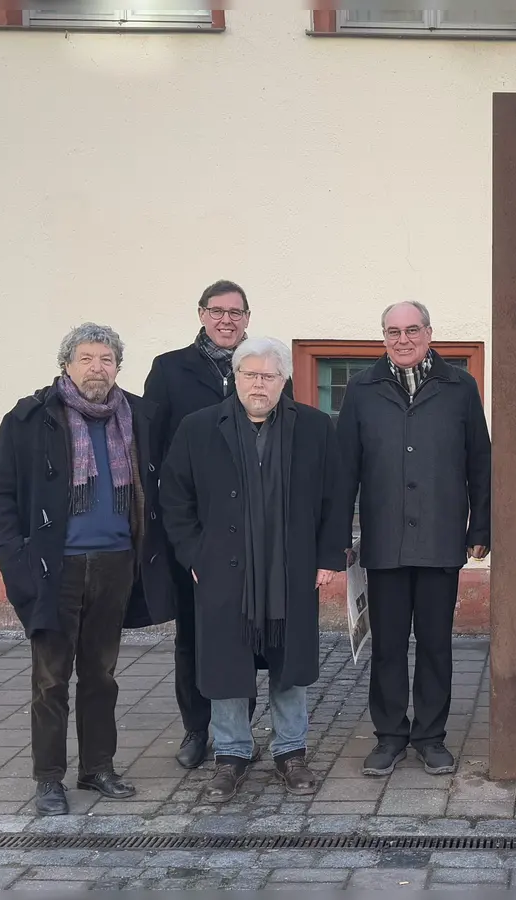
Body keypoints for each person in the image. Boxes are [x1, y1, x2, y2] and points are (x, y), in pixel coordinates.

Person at [0, 323, 175, 816]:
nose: (97, 368)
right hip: (53, 567)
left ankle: (97, 767)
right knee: (50, 679)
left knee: (102, 673)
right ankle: (49, 778)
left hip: (116, 563)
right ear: (67, 363)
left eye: (106, 359)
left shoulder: (140, 416)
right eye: (87, 358)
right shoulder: (30, 419)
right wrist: (14, 556)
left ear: (118, 367)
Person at [160, 337, 349, 803]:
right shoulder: (199, 427)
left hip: (292, 567)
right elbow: (175, 499)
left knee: (290, 663)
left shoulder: (315, 428)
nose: (258, 384)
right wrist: (194, 555)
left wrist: (328, 557)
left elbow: (336, 496)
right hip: (224, 569)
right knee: (226, 662)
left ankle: (291, 751)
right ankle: (231, 755)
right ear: (235, 379)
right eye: (249, 375)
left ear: (283, 381)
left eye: (268, 375)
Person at [337, 300, 492, 778]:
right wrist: (340, 534)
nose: (402, 340)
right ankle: (389, 736)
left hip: (441, 537)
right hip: (383, 540)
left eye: (411, 330)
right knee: (386, 645)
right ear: (382, 337)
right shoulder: (362, 389)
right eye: (392, 332)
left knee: (434, 644)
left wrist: (480, 527)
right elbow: (344, 469)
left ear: (429, 333)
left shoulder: (459, 386)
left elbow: (479, 463)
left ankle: (430, 736)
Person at [145, 280, 257, 770]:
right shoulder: (171, 369)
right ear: (201, 314)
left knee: (246, 631)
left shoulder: (263, 366)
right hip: (196, 528)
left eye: (236, 312)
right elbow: (153, 451)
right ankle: (197, 728)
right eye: (218, 311)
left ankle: (240, 730)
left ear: (248, 317)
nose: (227, 320)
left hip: (252, 527)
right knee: (193, 634)